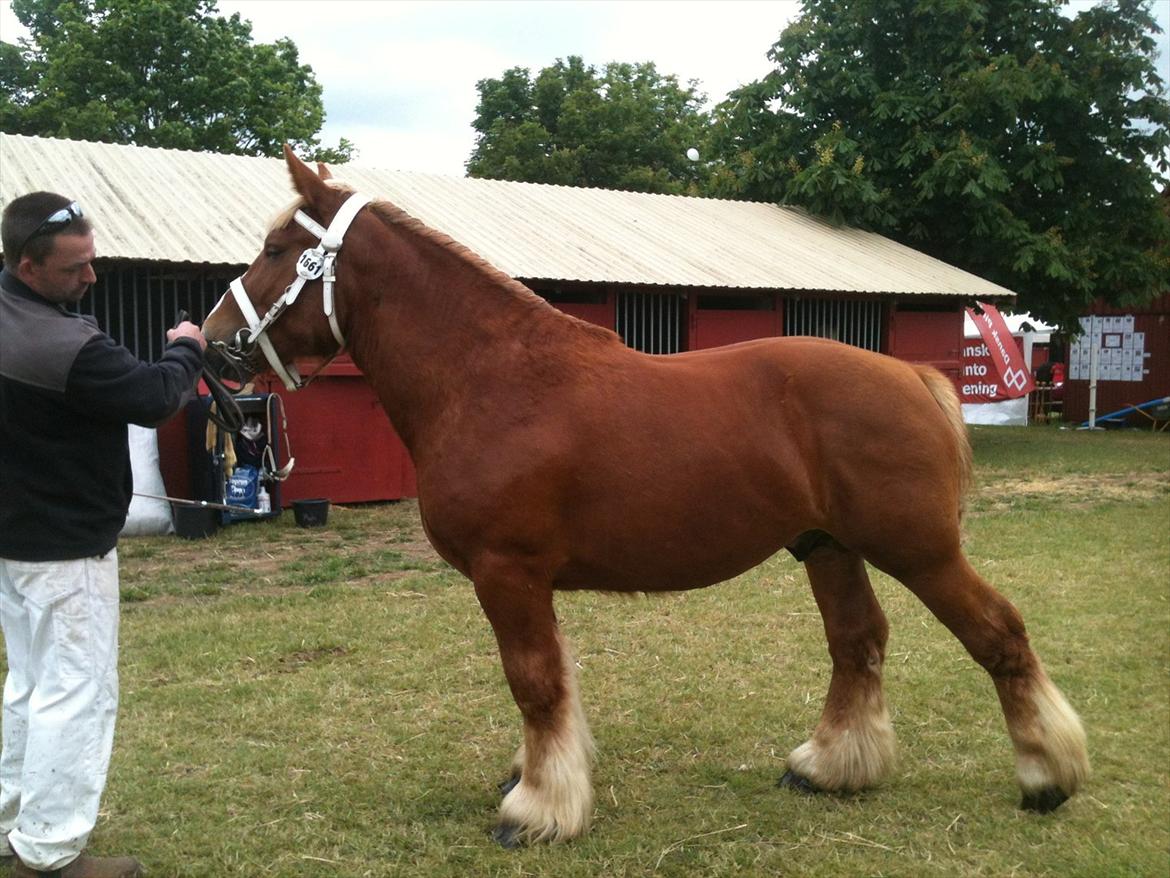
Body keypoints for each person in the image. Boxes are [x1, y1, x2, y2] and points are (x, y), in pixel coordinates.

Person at [0, 193, 206, 878]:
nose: (91, 278)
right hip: (65, 548)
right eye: (75, 268)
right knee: (77, 692)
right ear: (28, 266)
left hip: (15, 542)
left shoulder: (15, 315)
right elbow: (153, 396)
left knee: (30, 686)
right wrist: (186, 349)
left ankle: (11, 824)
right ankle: (52, 854)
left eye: (93, 261)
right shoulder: (61, 344)